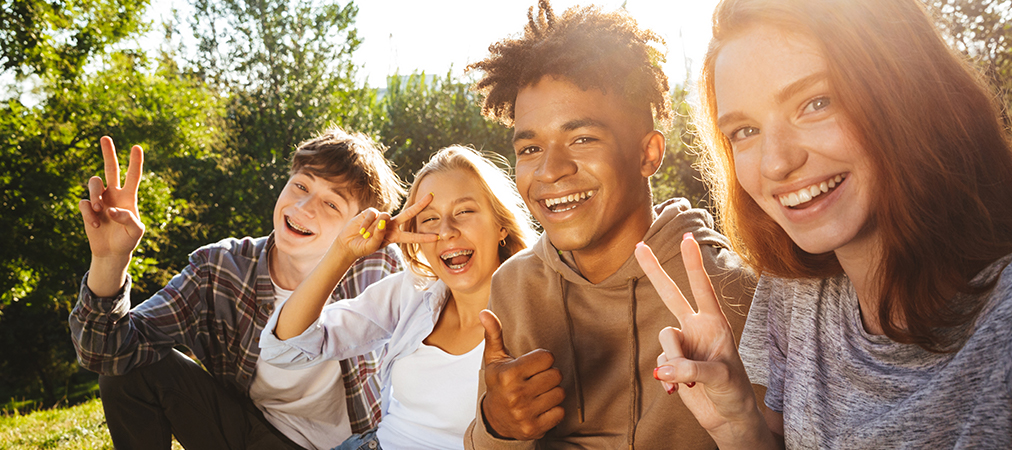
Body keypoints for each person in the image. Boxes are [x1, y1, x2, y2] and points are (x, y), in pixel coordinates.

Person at [637, 0, 1012, 448]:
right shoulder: (795, 295)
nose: (777, 163)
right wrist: (737, 426)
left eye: (816, 103)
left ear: (907, 93)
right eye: (745, 131)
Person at [463, 1, 757, 448]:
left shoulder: (730, 290)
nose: (549, 170)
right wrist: (496, 426)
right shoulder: (514, 285)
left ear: (649, 154)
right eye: (529, 149)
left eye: (582, 139)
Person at [70, 128, 407, 450]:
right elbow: (103, 351)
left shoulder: (378, 266)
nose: (303, 208)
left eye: (332, 204)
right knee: (126, 373)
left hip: (358, 445)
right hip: (248, 435)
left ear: (360, 224)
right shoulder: (220, 268)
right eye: (301, 186)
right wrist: (110, 259)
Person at [259, 146, 536, 450]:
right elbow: (285, 349)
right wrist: (343, 252)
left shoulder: (537, 311)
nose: (446, 231)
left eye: (464, 212)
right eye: (429, 219)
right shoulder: (413, 291)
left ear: (501, 226)